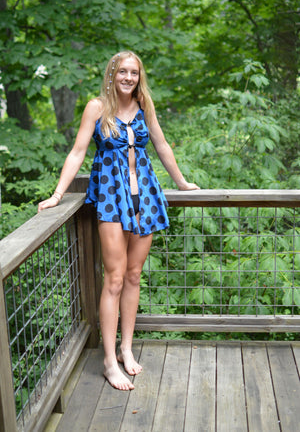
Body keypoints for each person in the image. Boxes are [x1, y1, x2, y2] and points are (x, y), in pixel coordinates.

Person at [38, 50, 199, 391]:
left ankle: (126, 348)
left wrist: (182, 182)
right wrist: (57, 194)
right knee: (113, 278)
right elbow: (78, 151)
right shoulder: (97, 108)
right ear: (111, 74)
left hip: (146, 197)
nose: (128, 77)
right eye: (122, 71)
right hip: (111, 198)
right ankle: (109, 360)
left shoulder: (145, 107)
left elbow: (161, 144)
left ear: (140, 77)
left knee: (133, 274)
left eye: (134, 72)